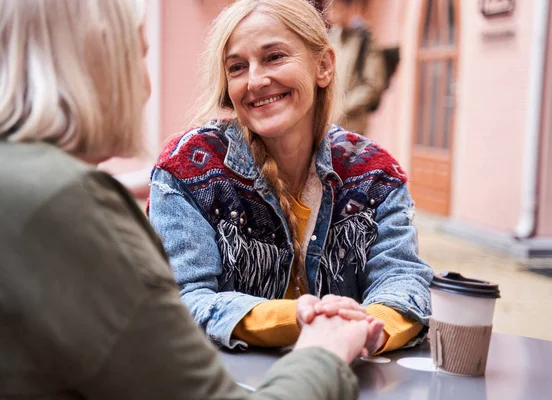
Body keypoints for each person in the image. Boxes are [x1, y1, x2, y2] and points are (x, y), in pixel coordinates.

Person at [0, 1, 380, 399]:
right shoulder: (67, 204)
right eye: (137, 56)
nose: (145, 85)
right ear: (93, 60)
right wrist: (323, 349)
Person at [148, 0, 433, 355]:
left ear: (324, 66)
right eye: (237, 67)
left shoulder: (375, 174)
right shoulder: (189, 169)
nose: (255, 80)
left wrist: (369, 329)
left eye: (274, 57)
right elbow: (182, 301)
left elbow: (403, 280)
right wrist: (301, 319)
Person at [327, 0, 387, 134]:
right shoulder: (332, 37)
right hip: (330, 124)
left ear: (349, 8)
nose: (331, 12)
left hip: (353, 126)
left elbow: (372, 86)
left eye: (336, 7)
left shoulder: (365, 39)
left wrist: (343, 106)